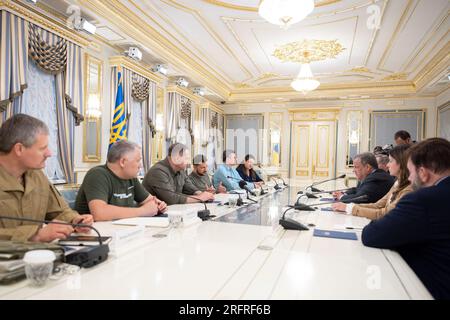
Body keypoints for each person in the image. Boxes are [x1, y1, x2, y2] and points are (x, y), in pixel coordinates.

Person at [362, 138, 450, 299]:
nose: (409, 179)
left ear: (423, 173)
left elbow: (372, 235)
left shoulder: (424, 199)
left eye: (411, 173)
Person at [0, 114, 93, 242]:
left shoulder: (37, 175)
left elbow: (59, 211)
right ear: (19, 149)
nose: (49, 153)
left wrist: (76, 220)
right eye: (43, 148)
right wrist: (35, 236)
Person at [75, 140, 167, 221]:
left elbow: (151, 201)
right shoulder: (97, 175)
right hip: (95, 235)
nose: (141, 165)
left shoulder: (130, 177)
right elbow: (99, 213)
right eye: (138, 160)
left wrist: (159, 206)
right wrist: (142, 211)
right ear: (122, 162)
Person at [332, 144, 413, 220]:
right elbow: (377, 205)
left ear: (402, 163)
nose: (387, 165)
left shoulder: (408, 189)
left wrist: (350, 208)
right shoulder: (398, 183)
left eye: (391, 161)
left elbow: (385, 213)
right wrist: (348, 206)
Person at [143, 143, 214, 205]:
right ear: (176, 158)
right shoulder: (158, 171)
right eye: (186, 158)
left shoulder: (181, 170)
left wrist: (202, 194)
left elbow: (189, 187)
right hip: (150, 217)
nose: (189, 162)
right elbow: (171, 198)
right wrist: (199, 198)